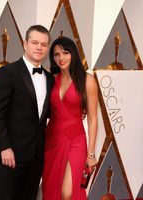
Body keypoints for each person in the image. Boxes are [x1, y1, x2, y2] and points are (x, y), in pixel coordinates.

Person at [0, 25, 54, 200]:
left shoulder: (49, 78)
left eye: (44, 44)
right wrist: (4, 147)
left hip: (36, 156)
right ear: (25, 44)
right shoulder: (7, 73)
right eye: (35, 42)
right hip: (12, 154)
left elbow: (45, 114)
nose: (39, 47)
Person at [42, 36, 98, 200]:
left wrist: (91, 153)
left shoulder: (87, 80)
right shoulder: (52, 79)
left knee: (68, 193)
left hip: (75, 140)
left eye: (65, 53)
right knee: (51, 190)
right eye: (56, 54)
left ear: (73, 53)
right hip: (52, 140)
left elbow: (93, 119)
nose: (61, 58)